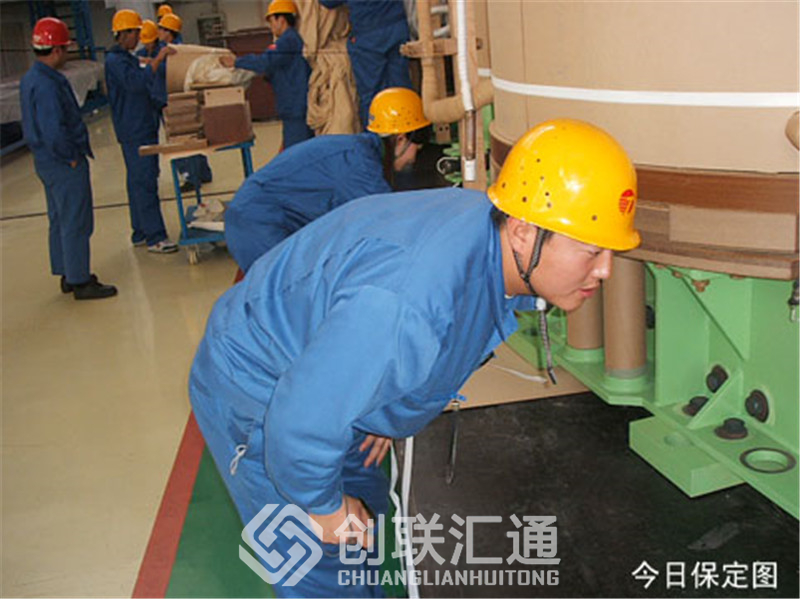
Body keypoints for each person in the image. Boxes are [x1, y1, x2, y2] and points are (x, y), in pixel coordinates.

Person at [188, 118, 640, 597]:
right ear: (525, 233)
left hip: (328, 371)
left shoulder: (493, 240)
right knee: (325, 558)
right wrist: (323, 509)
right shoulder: (406, 304)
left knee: (365, 517)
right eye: (591, 251)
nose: (606, 270)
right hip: (259, 391)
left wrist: (386, 411)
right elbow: (299, 424)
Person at [226, 87, 430, 273]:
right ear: (401, 138)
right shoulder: (359, 167)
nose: (414, 158)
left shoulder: (362, 153)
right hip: (257, 221)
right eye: (416, 148)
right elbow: (388, 225)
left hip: (266, 215)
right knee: (287, 289)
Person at [20, 17, 117, 300]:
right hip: (63, 162)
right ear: (56, 50)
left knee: (60, 218)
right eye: (66, 48)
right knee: (76, 220)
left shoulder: (33, 78)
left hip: (46, 161)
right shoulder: (47, 84)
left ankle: (67, 271)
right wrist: (70, 157)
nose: (68, 54)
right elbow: (53, 129)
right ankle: (80, 281)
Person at [105, 9, 178, 253]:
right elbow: (136, 83)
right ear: (124, 33)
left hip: (140, 125)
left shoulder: (125, 58)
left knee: (137, 181)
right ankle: (155, 237)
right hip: (135, 129)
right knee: (145, 181)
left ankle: (140, 231)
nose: (138, 38)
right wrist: (158, 60)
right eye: (135, 33)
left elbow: (140, 84)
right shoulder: (115, 61)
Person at [220, 0, 313, 149]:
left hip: (295, 108)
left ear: (281, 19)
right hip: (295, 107)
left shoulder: (287, 41)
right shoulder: (292, 40)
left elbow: (265, 62)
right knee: (295, 150)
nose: (271, 26)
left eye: (271, 21)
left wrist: (236, 62)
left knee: (298, 152)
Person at [319, 0, 413, 128]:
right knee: (401, 86)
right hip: (396, 27)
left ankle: (376, 136)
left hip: (368, 34)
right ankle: (407, 133)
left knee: (372, 95)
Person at [157, 12, 212, 191]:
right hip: (185, 99)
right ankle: (203, 173)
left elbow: (167, 73)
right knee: (194, 137)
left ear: (169, 32)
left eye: (161, 29)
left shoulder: (172, 52)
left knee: (181, 141)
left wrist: (152, 62)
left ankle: (191, 176)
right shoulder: (180, 48)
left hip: (174, 101)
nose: (158, 32)